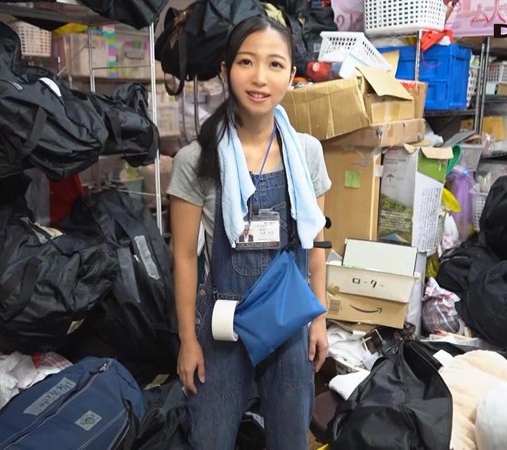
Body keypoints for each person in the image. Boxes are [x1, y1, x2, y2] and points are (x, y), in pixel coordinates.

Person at [167, 15, 332, 450]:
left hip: (288, 321)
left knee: (290, 439)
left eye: (275, 64)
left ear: (292, 76)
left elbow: (316, 241)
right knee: (211, 439)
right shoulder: (196, 160)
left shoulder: (307, 154)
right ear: (226, 71)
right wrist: (188, 340)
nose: (260, 78)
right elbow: (183, 256)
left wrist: (319, 317)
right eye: (246, 62)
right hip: (222, 328)